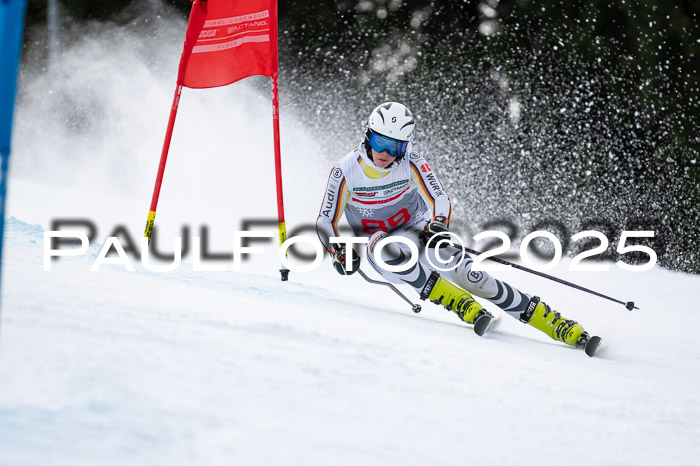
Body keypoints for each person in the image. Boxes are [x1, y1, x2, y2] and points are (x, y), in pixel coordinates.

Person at [316, 101, 592, 350]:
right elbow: (325, 220)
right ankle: (458, 303)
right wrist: (336, 249)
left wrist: (437, 225)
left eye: (395, 146)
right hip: (380, 245)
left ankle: (555, 324)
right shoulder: (346, 171)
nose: (385, 153)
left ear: (406, 146)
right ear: (368, 136)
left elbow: (439, 198)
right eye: (379, 142)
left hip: (418, 230)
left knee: (475, 278)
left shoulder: (412, 162)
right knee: (387, 247)